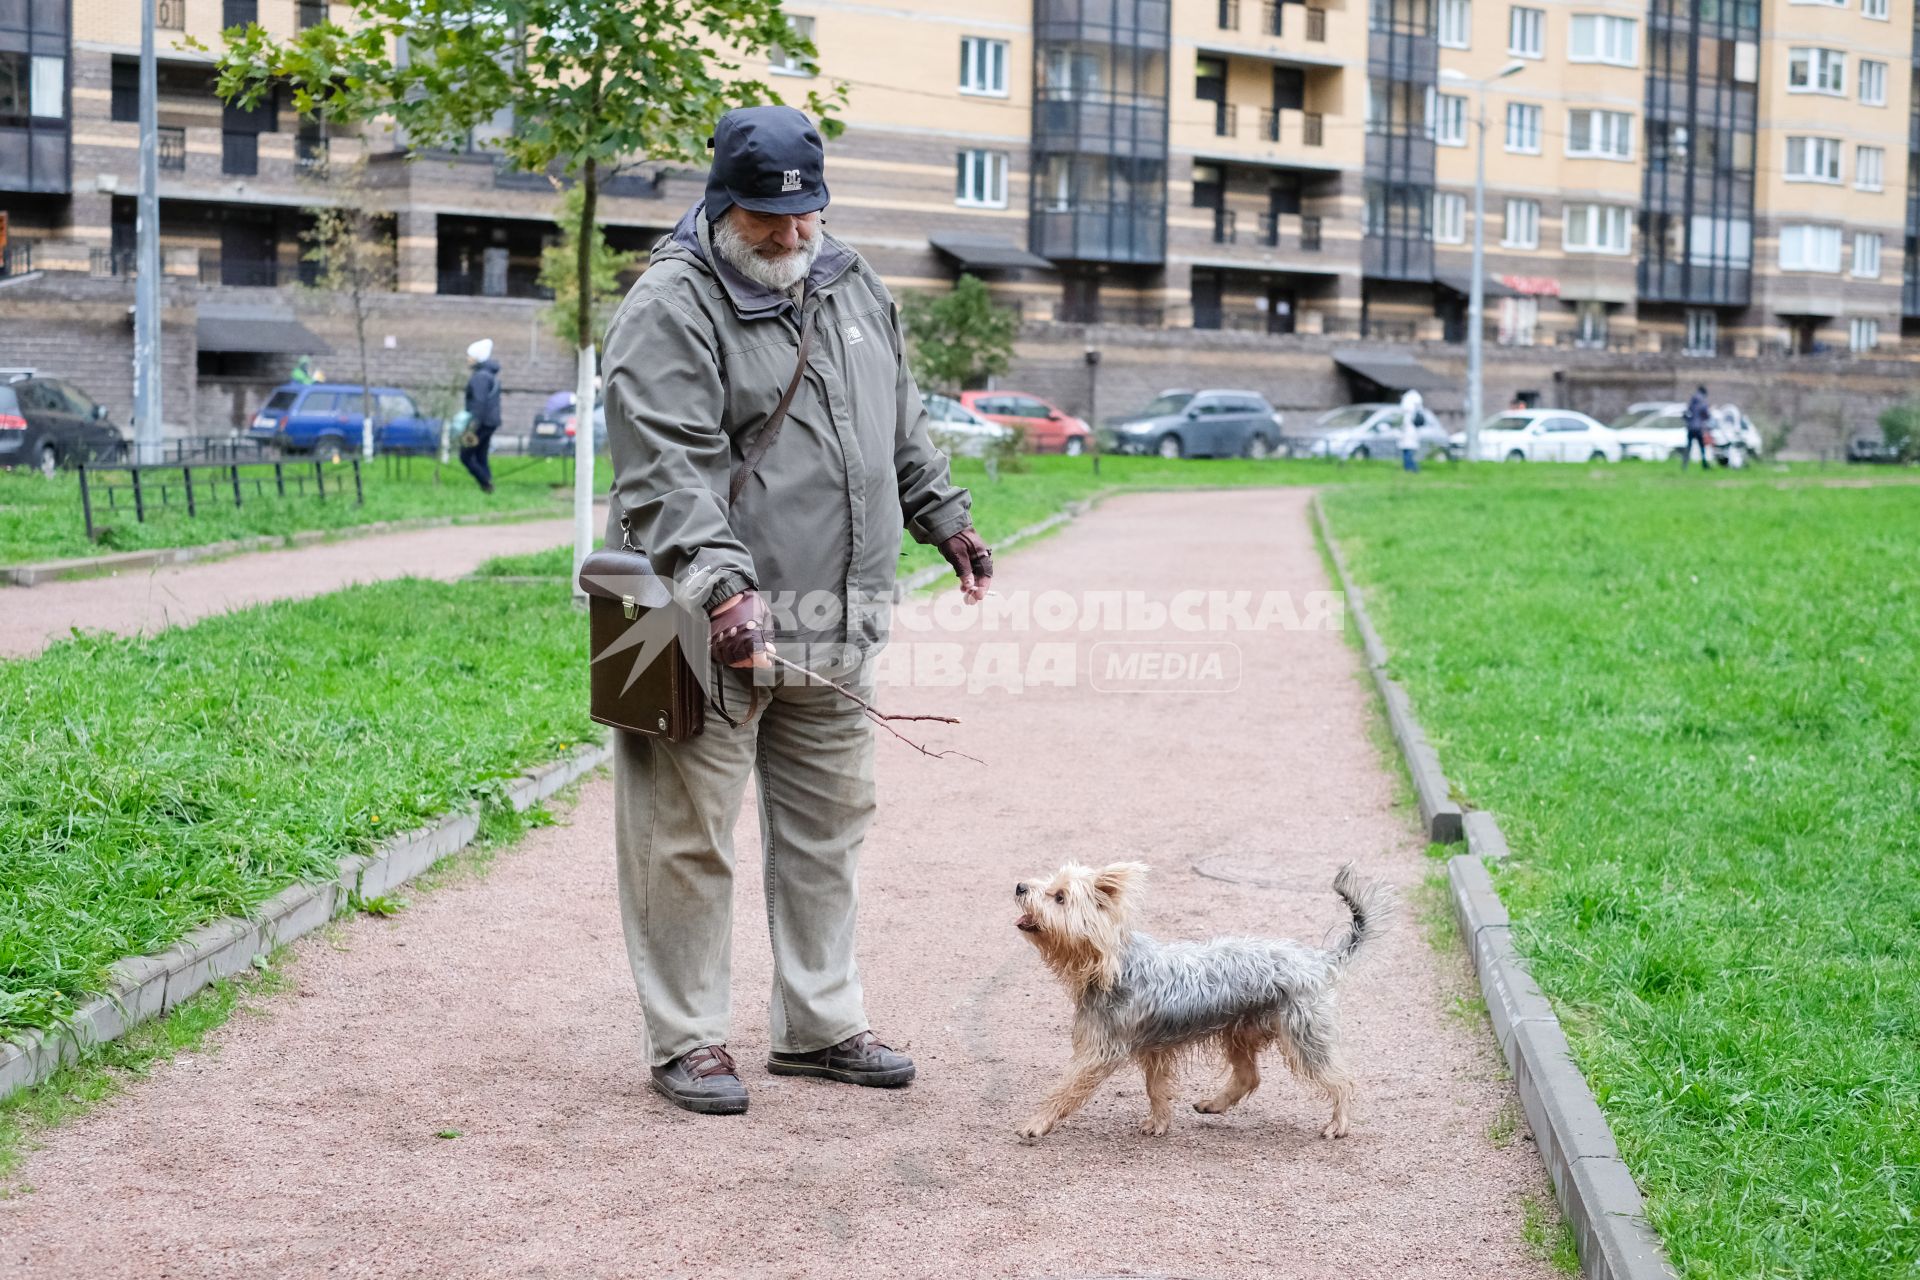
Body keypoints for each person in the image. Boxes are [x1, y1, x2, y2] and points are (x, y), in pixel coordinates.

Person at [599, 105, 994, 1116]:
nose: (790, 237)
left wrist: (941, 513)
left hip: (837, 622)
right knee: (682, 836)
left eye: (805, 216)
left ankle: (819, 1026)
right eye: (768, 220)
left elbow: (894, 414)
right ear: (724, 202)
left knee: (829, 830)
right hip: (688, 622)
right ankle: (686, 1038)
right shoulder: (670, 304)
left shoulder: (852, 281)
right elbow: (663, 470)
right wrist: (725, 585)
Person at [460, 338, 502, 492]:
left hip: (480, 423)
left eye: (470, 355)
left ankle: (485, 483)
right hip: (489, 422)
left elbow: (479, 402)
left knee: (465, 455)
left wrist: (472, 426)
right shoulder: (489, 375)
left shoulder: (480, 377)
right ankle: (487, 485)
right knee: (481, 455)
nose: (467, 359)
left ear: (477, 358)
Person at [1683, 384, 1712, 471]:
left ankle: (1684, 466)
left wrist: (1688, 421)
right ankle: (1704, 465)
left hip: (1691, 427)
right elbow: (1707, 415)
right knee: (1702, 447)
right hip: (1699, 427)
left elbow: (1687, 413)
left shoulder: (1692, 400)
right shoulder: (1703, 401)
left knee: (1688, 447)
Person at [1398, 387, 1423, 473]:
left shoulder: (1408, 410)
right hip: (1413, 430)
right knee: (1410, 450)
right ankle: (1412, 468)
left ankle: (1410, 468)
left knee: (1407, 450)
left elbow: (1405, 412)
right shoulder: (1417, 402)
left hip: (1408, 430)